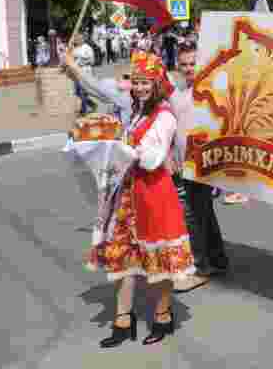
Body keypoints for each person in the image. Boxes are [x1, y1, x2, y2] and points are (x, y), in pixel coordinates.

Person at [85, 51, 195, 348]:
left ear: (157, 83)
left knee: (159, 260)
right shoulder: (137, 112)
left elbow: (151, 159)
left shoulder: (164, 116)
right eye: (136, 82)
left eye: (146, 82)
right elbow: (129, 147)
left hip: (153, 193)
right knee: (123, 256)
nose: (140, 87)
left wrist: (120, 149)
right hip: (128, 194)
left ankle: (163, 315)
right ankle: (123, 321)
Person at [169, 41, 229, 294]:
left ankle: (201, 266)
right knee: (203, 212)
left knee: (192, 215)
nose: (188, 68)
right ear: (178, 66)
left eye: (193, 63)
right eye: (184, 64)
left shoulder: (210, 90)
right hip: (184, 162)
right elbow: (174, 126)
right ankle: (218, 259)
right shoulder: (177, 93)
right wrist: (171, 154)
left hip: (203, 162)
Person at [72, 34, 96, 115]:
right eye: (76, 39)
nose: (76, 40)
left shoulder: (87, 48)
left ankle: (83, 110)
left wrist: (82, 59)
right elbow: (72, 59)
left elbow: (92, 60)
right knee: (77, 91)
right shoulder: (75, 49)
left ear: (82, 39)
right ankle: (92, 104)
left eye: (78, 39)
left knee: (83, 91)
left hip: (85, 71)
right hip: (77, 71)